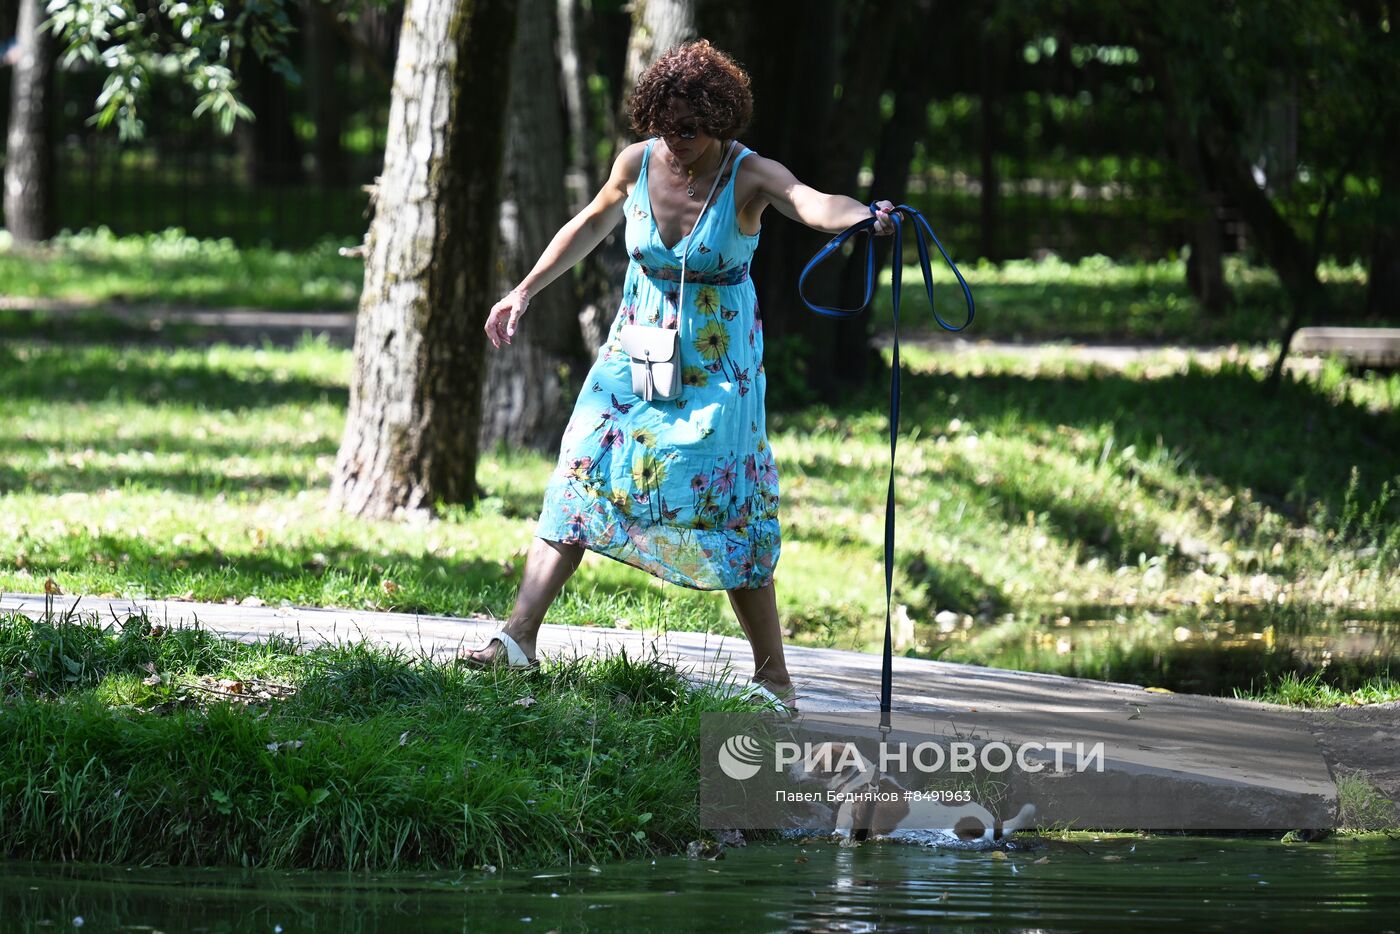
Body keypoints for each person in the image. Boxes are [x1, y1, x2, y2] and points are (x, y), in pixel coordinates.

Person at [461, 39, 896, 713]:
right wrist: (523, 290)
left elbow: (810, 203)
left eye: (691, 132)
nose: (678, 144)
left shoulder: (750, 175)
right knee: (580, 469)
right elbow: (587, 225)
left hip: (720, 365)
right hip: (637, 349)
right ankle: (517, 639)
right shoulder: (636, 164)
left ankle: (773, 677)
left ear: (720, 121)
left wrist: (864, 217)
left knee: (727, 503)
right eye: (667, 129)